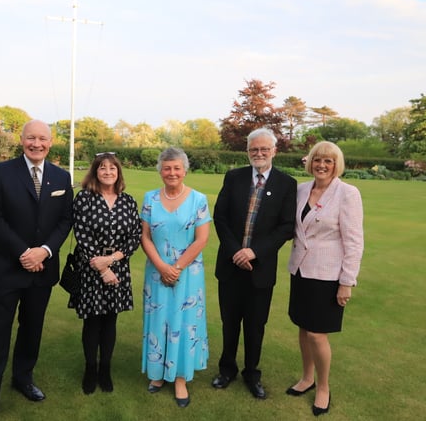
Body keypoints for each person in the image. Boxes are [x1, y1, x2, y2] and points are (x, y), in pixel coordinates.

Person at [0, 120, 73, 421]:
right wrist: (24, 252)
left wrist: (45, 251)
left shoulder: (61, 177)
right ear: (22, 140)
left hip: (43, 269)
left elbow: (65, 220)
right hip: (6, 267)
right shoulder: (0, 172)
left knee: (32, 328)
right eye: (31, 138)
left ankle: (23, 379)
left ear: (51, 142)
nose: (36, 144)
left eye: (42, 139)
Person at [212, 128, 297, 400]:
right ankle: (227, 370)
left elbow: (286, 227)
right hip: (230, 266)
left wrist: (253, 252)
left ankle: (251, 372)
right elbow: (220, 217)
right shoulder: (234, 177)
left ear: (274, 151)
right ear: (247, 152)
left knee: (255, 325)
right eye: (253, 150)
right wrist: (237, 251)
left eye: (264, 149)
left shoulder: (286, 184)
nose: (258, 154)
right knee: (229, 322)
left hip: (260, 270)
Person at [286, 141, 364, 417]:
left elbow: (354, 242)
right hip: (301, 272)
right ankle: (307, 378)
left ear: (336, 165)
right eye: (317, 160)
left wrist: (346, 281)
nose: (321, 165)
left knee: (318, 333)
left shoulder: (347, 194)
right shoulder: (301, 190)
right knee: (303, 328)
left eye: (328, 161)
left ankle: (323, 387)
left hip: (328, 275)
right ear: (310, 162)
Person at [140, 147, 211, 408]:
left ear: (184, 170)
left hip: (187, 274)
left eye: (177, 168)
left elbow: (202, 239)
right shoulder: (149, 198)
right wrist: (161, 266)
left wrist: (176, 267)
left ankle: (180, 377)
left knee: (184, 320)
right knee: (159, 319)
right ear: (160, 170)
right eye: (167, 168)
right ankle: (158, 374)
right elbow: (145, 236)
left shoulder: (199, 199)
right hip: (156, 272)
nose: (172, 172)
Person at [69, 152, 142, 394]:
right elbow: (82, 235)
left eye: (112, 168)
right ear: (95, 172)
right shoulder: (84, 199)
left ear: (118, 172)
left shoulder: (128, 201)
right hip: (91, 266)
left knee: (110, 320)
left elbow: (134, 237)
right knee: (92, 321)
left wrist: (111, 261)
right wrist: (102, 268)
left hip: (118, 266)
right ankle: (90, 369)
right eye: (102, 168)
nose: (108, 172)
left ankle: (105, 370)